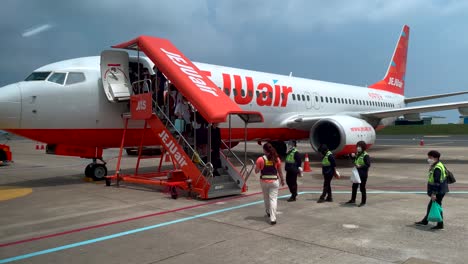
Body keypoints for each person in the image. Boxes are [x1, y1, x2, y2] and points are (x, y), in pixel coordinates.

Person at [415, 150, 449, 230]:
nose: (428, 159)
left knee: (437, 207)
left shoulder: (437, 168)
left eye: (430, 157)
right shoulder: (438, 165)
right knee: (432, 206)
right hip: (441, 190)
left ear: (436, 158)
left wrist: (434, 194)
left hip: (438, 191)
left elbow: (437, 182)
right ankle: (425, 221)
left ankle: (440, 224)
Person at [255, 143, 285, 225]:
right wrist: (282, 180)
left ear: (264, 150)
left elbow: (256, 171)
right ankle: (273, 218)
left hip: (264, 181)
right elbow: (279, 171)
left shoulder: (260, 159)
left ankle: (268, 211)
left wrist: (259, 167)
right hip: (274, 181)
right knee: (273, 199)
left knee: (266, 197)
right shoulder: (276, 159)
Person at [346, 141, 371, 207]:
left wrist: (360, 166)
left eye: (359, 147)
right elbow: (354, 160)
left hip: (363, 174)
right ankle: (353, 199)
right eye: (357, 146)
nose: (358, 148)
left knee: (362, 188)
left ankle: (363, 202)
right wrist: (351, 156)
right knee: (354, 187)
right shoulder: (357, 154)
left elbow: (368, 164)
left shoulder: (366, 155)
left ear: (363, 147)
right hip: (357, 174)